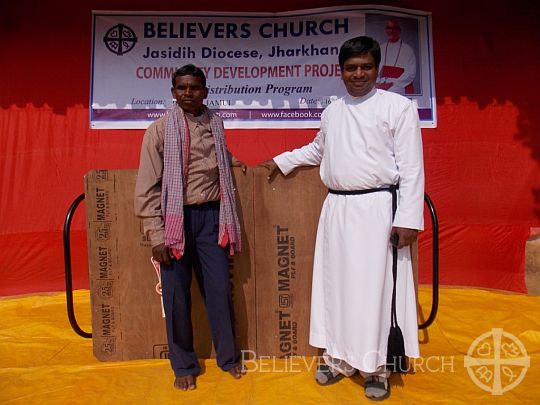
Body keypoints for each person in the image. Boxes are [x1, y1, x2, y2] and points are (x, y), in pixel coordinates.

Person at [261, 36, 424, 401]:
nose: (359, 73)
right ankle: (338, 358)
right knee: (336, 287)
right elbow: (319, 149)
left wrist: (408, 218)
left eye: (366, 66)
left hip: (379, 213)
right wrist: (281, 160)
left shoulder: (397, 107)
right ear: (341, 71)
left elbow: (412, 167)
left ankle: (376, 366)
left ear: (377, 68)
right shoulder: (333, 111)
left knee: (374, 290)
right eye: (351, 68)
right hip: (337, 210)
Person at [134, 64, 246, 391]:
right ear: (173, 92)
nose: (188, 93)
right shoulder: (160, 130)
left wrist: (235, 163)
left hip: (212, 219)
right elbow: (146, 186)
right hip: (175, 222)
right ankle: (183, 364)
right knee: (176, 297)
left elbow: (218, 159)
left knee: (219, 291)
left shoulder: (216, 124)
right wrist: (156, 236)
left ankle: (228, 358)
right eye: (181, 88)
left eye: (194, 88)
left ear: (205, 92)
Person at [375, 18, 417, 95]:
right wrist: (377, 83)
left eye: (394, 28)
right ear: (386, 30)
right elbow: (376, 68)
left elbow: (411, 73)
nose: (391, 31)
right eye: (389, 28)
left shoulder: (407, 49)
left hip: (399, 86)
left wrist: (391, 84)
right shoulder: (381, 48)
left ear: (399, 30)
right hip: (381, 85)